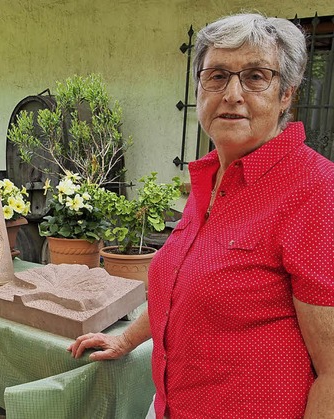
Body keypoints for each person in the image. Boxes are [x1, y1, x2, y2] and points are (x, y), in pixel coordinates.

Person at [68, 13, 334, 419]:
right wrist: (127, 340)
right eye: (217, 75)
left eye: (256, 76)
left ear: (287, 95)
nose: (232, 93)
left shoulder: (316, 188)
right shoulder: (213, 176)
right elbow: (179, 287)